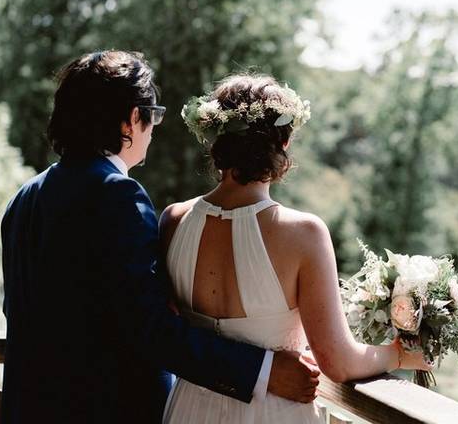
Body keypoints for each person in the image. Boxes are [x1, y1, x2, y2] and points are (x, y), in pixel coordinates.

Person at [0, 51, 319, 424]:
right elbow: (150, 329)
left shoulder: (24, 198)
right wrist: (263, 371)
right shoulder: (116, 195)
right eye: (153, 116)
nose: (153, 129)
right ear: (134, 118)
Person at [161, 73, 432, 423]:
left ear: (216, 140)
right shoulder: (303, 233)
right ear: (283, 144)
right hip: (271, 412)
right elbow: (338, 361)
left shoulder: (172, 220)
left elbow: (169, 331)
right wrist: (399, 355)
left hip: (188, 410)